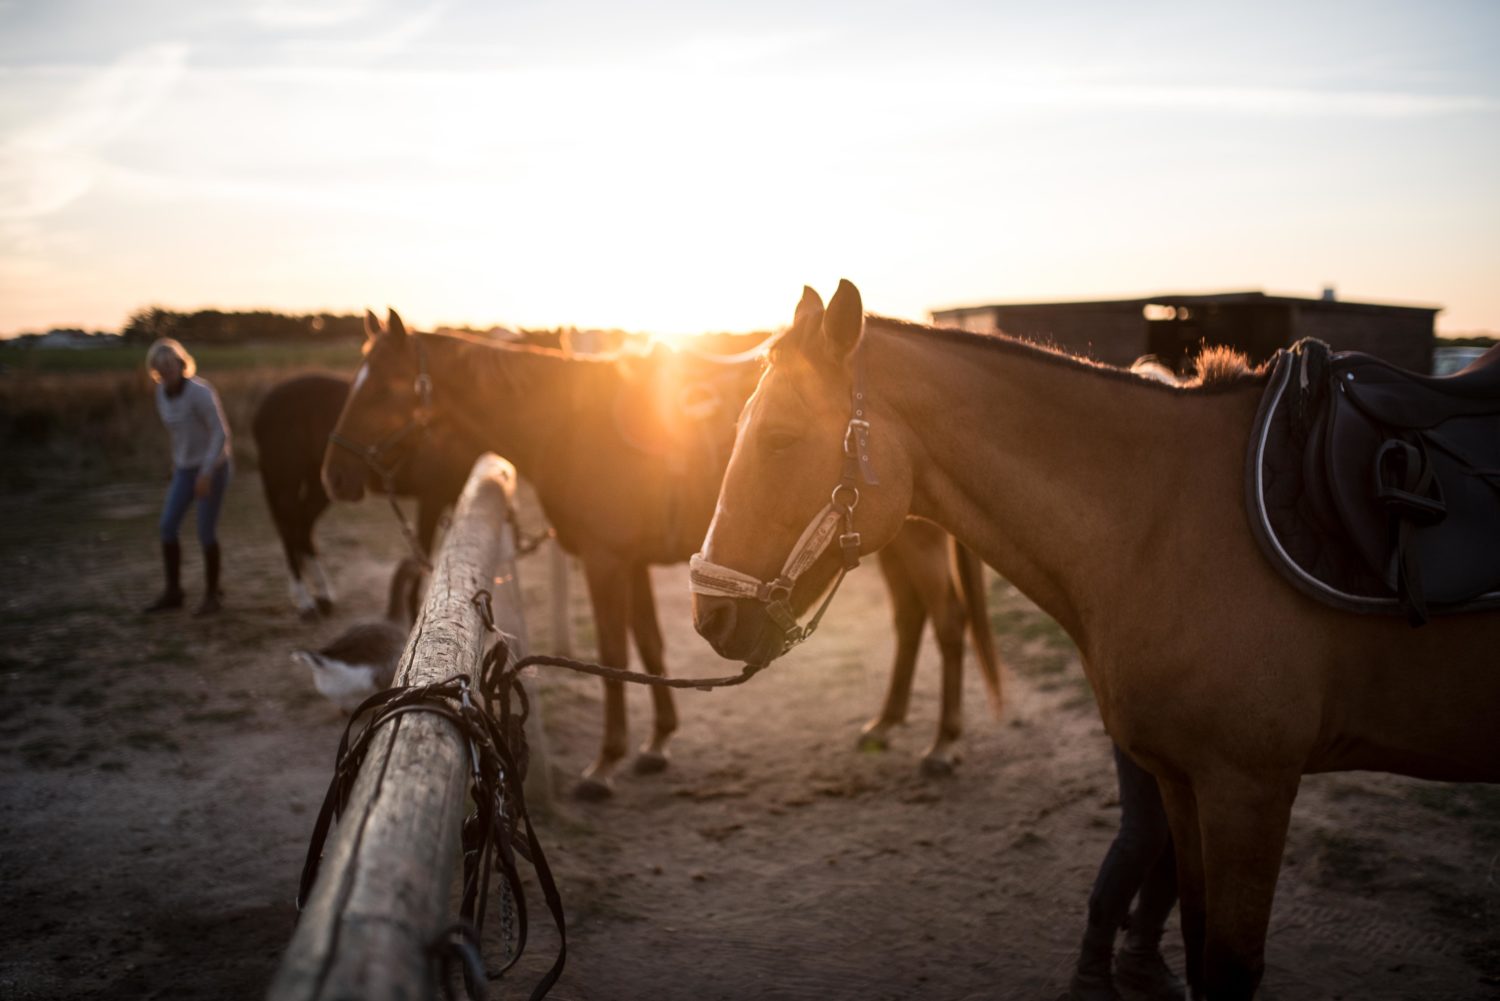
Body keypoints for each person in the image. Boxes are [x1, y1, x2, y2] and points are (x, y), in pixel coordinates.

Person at [1064, 744, 1186, 1001]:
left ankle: (1140, 954)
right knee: (1144, 833)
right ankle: (1090, 971)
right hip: (1140, 715)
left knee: (1180, 833)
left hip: (1194, 722)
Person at [143, 337, 233, 616]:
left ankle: (212, 595)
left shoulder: (201, 392)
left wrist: (206, 473)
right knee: (168, 526)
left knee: (205, 531)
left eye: (171, 364)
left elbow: (220, 434)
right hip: (184, 468)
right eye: (160, 366)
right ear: (155, 369)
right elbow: (179, 435)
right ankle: (174, 592)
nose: (167, 370)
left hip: (213, 467)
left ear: (181, 363)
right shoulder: (160, 393)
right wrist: (177, 465)